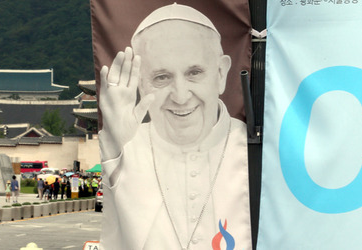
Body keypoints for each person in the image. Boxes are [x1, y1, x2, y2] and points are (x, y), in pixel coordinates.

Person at [98, 4, 251, 249]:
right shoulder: (126, 148)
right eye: (162, 77)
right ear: (141, 85)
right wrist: (116, 145)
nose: (180, 96)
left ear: (221, 73)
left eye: (194, 73)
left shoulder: (251, 147)